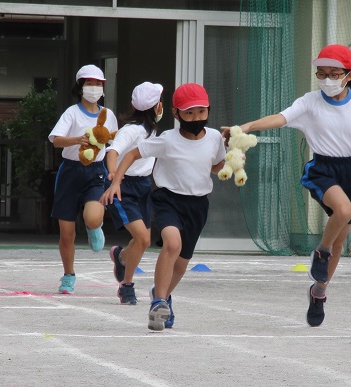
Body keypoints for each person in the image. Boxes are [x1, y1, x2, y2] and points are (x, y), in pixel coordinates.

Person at [222, 44, 351, 327]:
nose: (327, 78)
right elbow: (280, 118)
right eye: (321, 73)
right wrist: (248, 127)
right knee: (342, 210)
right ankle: (321, 251)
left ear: (349, 75)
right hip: (322, 169)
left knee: (342, 240)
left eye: (334, 73)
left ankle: (319, 292)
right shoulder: (309, 102)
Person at [101, 83, 226, 330]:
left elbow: (215, 166)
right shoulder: (167, 139)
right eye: (188, 113)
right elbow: (132, 154)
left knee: (181, 264)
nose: (195, 118)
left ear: (208, 111)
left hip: (198, 205)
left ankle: (163, 295)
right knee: (172, 243)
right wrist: (116, 181)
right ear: (176, 113)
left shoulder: (214, 138)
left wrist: (232, 161)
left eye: (201, 112)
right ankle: (158, 302)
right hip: (168, 200)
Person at [48, 64, 118, 294]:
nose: (94, 88)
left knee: (93, 217)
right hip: (70, 172)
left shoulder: (108, 116)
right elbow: (56, 140)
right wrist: (78, 139)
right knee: (67, 234)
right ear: (80, 87)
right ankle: (68, 275)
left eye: (98, 84)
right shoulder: (72, 112)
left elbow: (114, 146)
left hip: (95, 172)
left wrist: (114, 171)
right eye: (90, 83)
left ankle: (93, 226)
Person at [105, 82, 163, 305]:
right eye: (161, 102)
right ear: (156, 107)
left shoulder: (153, 132)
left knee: (143, 241)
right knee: (142, 237)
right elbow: (113, 151)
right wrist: (113, 175)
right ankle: (126, 286)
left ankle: (120, 256)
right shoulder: (131, 130)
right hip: (123, 187)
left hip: (143, 187)